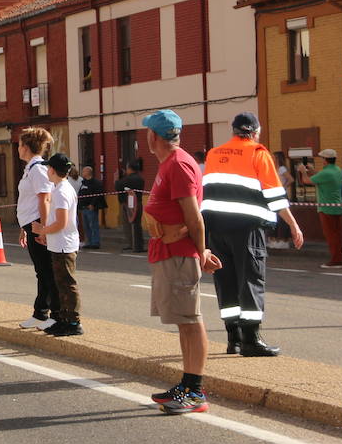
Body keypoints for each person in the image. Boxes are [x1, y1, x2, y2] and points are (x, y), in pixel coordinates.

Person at [201, 113, 304, 358]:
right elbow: (274, 196)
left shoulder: (214, 154)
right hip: (247, 229)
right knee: (250, 281)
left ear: (234, 131)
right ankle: (251, 340)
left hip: (216, 229)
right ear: (255, 132)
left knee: (225, 282)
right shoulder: (258, 152)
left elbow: (208, 192)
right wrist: (294, 225)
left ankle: (233, 339)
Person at [140, 109, 223, 416]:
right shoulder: (169, 164)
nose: (146, 136)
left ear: (155, 136)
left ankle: (195, 390)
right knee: (183, 321)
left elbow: (193, 214)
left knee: (190, 319)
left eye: (148, 131)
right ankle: (187, 385)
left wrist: (201, 251)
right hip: (168, 251)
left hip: (179, 254)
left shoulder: (179, 165)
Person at [15, 127, 59, 330]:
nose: (18, 149)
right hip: (30, 224)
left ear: (26, 147)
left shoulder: (39, 168)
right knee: (42, 271)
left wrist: (43, 228)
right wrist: (24, 227)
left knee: (46, 271)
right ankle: (41, 313)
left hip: (38, 225)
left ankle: (53, 314)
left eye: (20, 145)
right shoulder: (30, 169)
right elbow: (29, 201)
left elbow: (45, 199)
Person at [36, 153, 83, 336]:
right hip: (59, 243)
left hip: (64, 244)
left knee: (67, 284)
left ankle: (73, 321)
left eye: (48, 168)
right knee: (60, 284)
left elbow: (61, 222)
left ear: (53, 170)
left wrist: (42, 229)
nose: (47, 171)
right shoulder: (59, 188)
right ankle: (64, 318)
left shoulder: (63, 191)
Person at [298, 149, 342, 268]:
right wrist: (313, 171)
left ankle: (335, 260)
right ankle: (338, 258)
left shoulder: (326, 173)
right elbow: (322, 178)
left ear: (325, 160)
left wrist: (303, 172)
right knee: (337, 234)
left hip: (326, 207)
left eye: (322, 158)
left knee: (331, 235)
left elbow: (306, 181)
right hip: (337, 205)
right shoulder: (337, 170)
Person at [114, 159, 145, 253]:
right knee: (136, 225)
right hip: (138, 202)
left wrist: (116, 178)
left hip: (128, 204)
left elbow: (117, 186)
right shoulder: (140, 179)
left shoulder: (127, 179)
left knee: (129, 225)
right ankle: (137, 245)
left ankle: (133, 245)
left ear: (130, 169)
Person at [77, 165, 106, 250]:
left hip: (91, 208)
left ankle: (95, 242)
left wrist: (93, 204)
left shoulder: (95, 183)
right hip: (83, 207)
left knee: (93, 225)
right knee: (86, 226)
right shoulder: (83, 182)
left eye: (83, 171)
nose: (82, 173)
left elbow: (98, 194)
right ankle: (89, 242)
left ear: (88, 172)